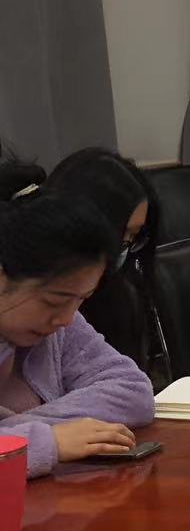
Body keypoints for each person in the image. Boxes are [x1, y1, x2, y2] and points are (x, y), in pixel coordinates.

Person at [0, 153, 156, 475]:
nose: (67, 319)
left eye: (82, 300)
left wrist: (13, 435)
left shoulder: (59, 325)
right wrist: (49, 441)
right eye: (54, 301)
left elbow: (133, 390)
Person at [43, 148, 166, 382]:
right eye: (121, 234)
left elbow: (127, 383)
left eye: (134, 237)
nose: (123, 248)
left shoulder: (120, 295)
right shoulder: (41, 311)